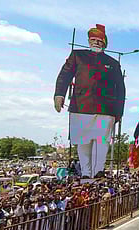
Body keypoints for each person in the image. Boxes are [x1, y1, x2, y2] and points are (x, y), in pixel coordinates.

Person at [54, 24, 126, 179]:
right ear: (88, 41)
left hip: (106, 109)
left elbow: (120, 89)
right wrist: (59, 94)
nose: (96, 43)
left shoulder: (113, 63)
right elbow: (64, 75)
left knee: (102, 141)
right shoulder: (78, 56)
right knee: (83, 141)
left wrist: (119, 113)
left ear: (105, 43)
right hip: (81, 105)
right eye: (93, 39)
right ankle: (86, 173)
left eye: (100, 40)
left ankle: (99, 170)